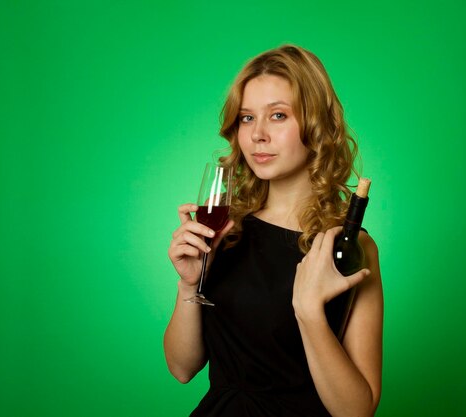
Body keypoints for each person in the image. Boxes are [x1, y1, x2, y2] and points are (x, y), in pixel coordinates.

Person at [164, 44, 383, 417]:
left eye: (278, 115)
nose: (258, 135)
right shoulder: (224, 230)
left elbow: (356, 411)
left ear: (316, 125)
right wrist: (189, 285)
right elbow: (182, 369)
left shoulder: (349, 246)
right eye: (247, 118)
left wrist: (309, 312)